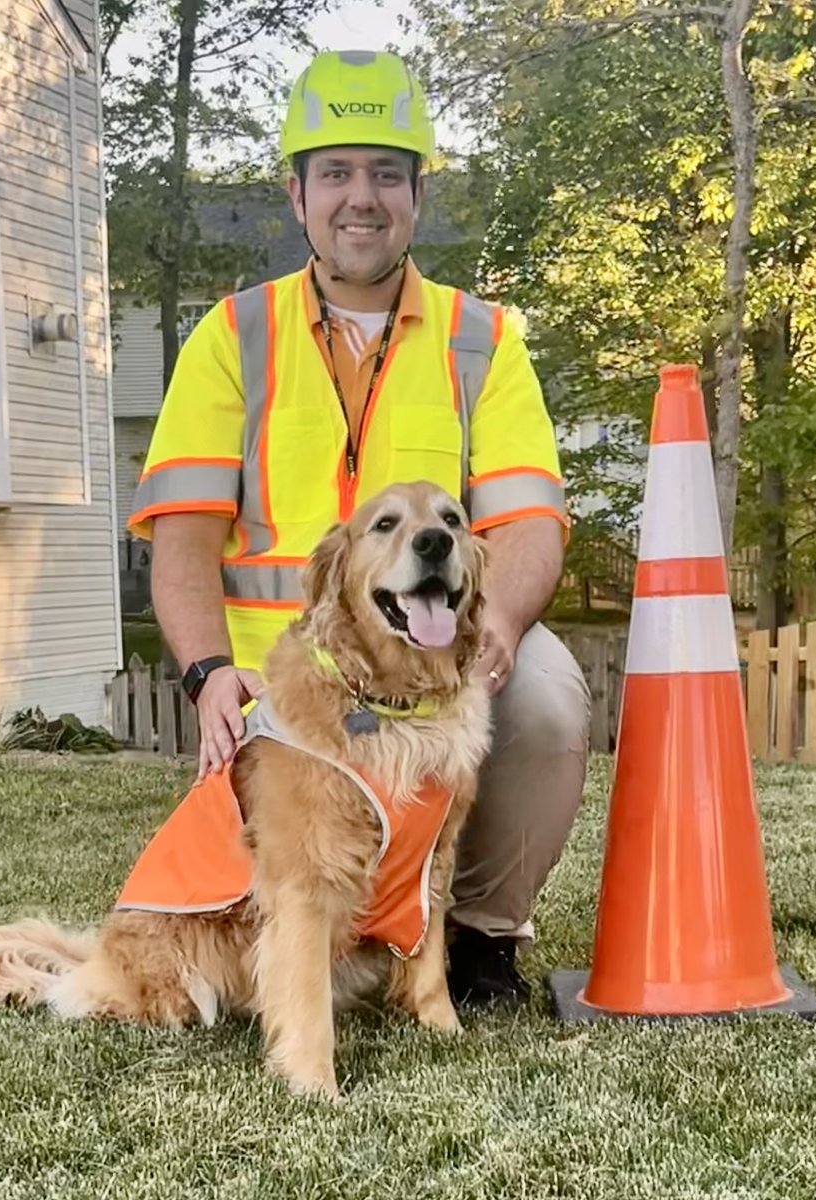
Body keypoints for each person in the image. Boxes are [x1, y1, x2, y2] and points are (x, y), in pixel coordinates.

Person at [127, 49, 591, 1009]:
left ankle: (476, 938)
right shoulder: (233, 334)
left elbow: (532, 523)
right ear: (297, 197)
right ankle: (314, 944)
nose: (361, 198)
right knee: (276, 883)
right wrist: (211, 676)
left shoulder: (483, 338)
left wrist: (494, 631)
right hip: (277, 687)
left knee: (546, 694)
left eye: (386, 172)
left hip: (430, 663)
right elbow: (181, 543)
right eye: (335, 173)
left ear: (418, 193)